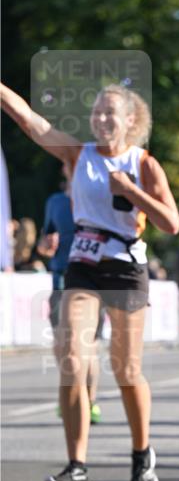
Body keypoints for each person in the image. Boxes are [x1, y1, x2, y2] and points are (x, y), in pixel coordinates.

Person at [0, 81, 179, 481]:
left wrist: (131, 191)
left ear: (130, 120)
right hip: (83, 264)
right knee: (71, 361)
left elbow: (171, 223)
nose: (100, 119)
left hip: (126, 268)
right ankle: (77, 466)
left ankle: (141, 454)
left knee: (126, 370)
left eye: (109, 113)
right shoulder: (78, 155)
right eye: (95, 112)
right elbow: (29, 120)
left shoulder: (144, 163)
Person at [37, 166, 103, 423]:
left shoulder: (97, 198)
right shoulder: (54, 202)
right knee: (61, 346)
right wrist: (46, 246)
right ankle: (71, 394)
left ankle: (90, 400)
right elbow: (45, 242)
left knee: (88, 347)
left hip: (90, 280)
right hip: (60, 277)